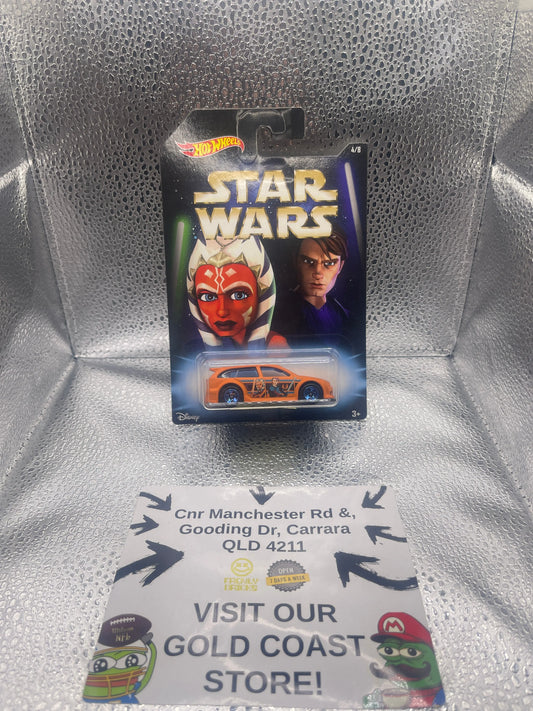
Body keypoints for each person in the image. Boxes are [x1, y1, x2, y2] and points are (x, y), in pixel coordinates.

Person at [187, 235, 287, 349]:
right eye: (208, 297)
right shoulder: (191, 349)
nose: (222, 311)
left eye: (238, 295)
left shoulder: (274, 345)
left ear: (261, 295)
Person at [278, 230, 349, 344]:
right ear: (295, 261)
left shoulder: (343, 315)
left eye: (329, 263)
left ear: (340, 266)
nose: (317, 273)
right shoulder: (278, 312)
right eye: (308, 261)